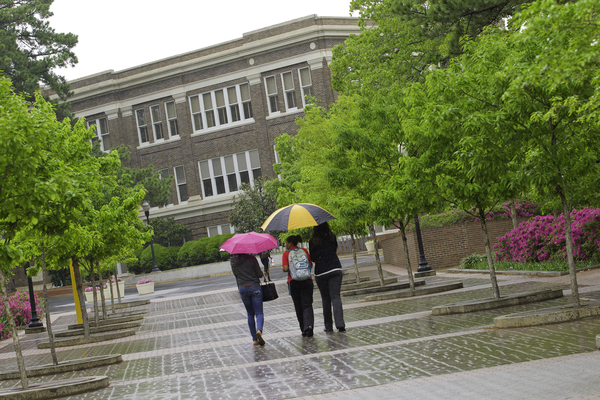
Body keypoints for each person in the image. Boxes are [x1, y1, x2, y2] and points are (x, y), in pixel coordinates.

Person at [309, 222, 345, 332]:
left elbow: (313, 258)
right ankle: (340, 324)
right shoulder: (332, 237)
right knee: (336, 297)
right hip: (335, 268)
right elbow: (334, 250)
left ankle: (328, 326)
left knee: (325, 299)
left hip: (321, 272)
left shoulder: (312, 241)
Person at [282, 235, 315, 337]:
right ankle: (309, 326)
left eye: (286, 242)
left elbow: (285, 269)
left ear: (290, 243)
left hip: (294, 282)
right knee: (307, 305)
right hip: (306, 280)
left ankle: (303, 329)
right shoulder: (304, 251)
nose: (285, 244)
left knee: (298, 305)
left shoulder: (286, 254)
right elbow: (310, 264)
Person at [230, 253, 266, 345]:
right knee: (259, 312)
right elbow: (259, 274)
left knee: (250, 313)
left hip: (243, 288)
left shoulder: (233, 261)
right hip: (255, 287)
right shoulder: (251, 258)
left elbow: (236, 276)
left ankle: (254, 339)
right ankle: (259, 331)